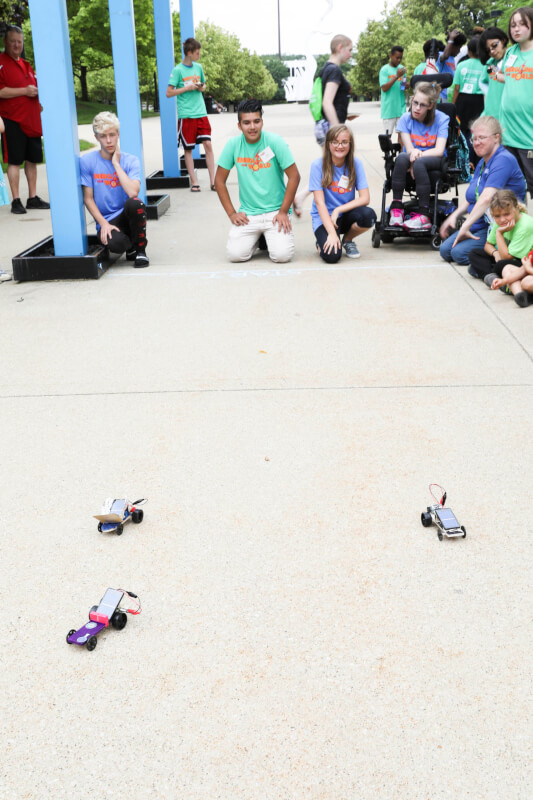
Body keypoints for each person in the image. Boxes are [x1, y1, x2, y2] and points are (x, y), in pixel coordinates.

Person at [214, 99, 300, 263]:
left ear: (262, 122)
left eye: (256, 121)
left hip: (276, 212)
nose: (252, 127)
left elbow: (294, 176)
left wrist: (283, 211)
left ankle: (268, 236)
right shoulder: (233, 145)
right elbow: (219, 181)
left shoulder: (275, 142)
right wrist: (232, 213)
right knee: (235, 255)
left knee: (282, 256)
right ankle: (260, 238)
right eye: (246, 123)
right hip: (249, 214)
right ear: (239, 125)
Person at [439, 116, 527, 265]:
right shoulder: (483, 161)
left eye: (482, 138)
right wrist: (453, 217)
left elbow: (486, 198)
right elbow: (472, 197)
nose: (476, 143)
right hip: (482, 224)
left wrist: (465, 226)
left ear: (496, 138)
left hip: (501, 226)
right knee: (445, 250)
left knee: (458, 254)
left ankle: (502, 256)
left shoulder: (503, 159)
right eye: (474, 139)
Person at [294, 34, 355, 216]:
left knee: (329, 167)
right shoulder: (334, 71)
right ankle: (303, 197)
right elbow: (327, 102)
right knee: (330, 168)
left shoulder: (325, 69)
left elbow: (331, 102)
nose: (351, 54)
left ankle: (303, 197)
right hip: (330, 127)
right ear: (339, 48)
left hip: (325, 125)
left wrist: (344, 116)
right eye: (350, 49)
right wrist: (339, 131)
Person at [80, 112, 149, 268]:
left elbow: (133, 193)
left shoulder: (131, 160)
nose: (109, 140)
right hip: (108, 220)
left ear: (118, 134)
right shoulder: (87, 161)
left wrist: (116, 164)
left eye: (112, 134)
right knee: (117, 245)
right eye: (103, 136)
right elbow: (88, 198)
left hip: (127, 214)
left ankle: (140, 251)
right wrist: (103, 224)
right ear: (96, 137)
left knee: (135, 204)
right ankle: (130, 245)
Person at [0, 26, 49, 214]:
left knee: (32, 159)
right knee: (14, 161)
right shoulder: (1, 63)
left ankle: (32, 197)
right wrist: (25, 91)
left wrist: (39, 103)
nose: (16, 45)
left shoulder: (27, 65)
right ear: (5, 42)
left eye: (19, 41)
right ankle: (16, 201)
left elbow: (35, 88)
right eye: (13, 41)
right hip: (12, 119)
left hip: (31, 121)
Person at [308, 124, 376, 262]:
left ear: (350, 144)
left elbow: (365, 198)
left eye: (344, 142)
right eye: (335, 142)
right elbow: (320, 203)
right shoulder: (317, 165)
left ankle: (347, 240)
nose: (340, 146)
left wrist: (338, 210)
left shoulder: (355, 164)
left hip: (344, 215)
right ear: (328, 144)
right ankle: (321, 242)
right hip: (324, 218)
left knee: (369, 216)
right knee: (332, 256)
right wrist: (332, 234)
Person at [388, 82, 449, 231]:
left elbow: (439, 150)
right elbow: (408, 149)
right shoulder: (405, 119)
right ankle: (397, 209)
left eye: (422, 105)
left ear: (430, 105)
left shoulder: (442, 119)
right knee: (401, 157)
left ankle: (424, 215)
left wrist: (417, 157)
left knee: (419, 163)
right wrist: (413, 156)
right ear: (412, 98)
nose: (416, 108)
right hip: (413, 156)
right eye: (415, 102)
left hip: (435, 158)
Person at [166, 37, 216, 193]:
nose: (199, 56)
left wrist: (201, 88)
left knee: (208, 144)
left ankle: (213, 182)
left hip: (201, 112)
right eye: (197, 53)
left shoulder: (198, 67)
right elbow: (169, 93)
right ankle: (194, 183)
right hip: (186, 115)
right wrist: (186, 89)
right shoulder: (177, 70)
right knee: (188, 149)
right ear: (189, 53)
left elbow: (204, 84)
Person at [467, 191, 533, 305]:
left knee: (501, 265)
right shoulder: (503, 221)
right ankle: (496, 277)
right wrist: (495, 253)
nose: (502, 219)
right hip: (505, 257)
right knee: (474, 254)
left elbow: (507, 258)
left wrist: (499, 234)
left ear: (516, 208)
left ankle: (496, 278)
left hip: (520, 261)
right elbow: (488, 245)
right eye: (497, 216)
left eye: (507, 214)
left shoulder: (525, 225)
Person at [498, 7, 533, 197]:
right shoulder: (510, 52)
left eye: (522, 24)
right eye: (513, 25)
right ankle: (517, 226)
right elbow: (508, 76)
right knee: (512, 186)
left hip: (530, 135)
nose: (516, 29)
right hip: (508, 132)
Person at [451, 37, 485, 163]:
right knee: (476, 130)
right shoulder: (485, 66)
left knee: (463, 131)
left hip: (463, 100)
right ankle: (476, 161)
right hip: (479, 102)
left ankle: (465, 161)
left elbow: (457, 88)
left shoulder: (461, 65)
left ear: (469, 51)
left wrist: (453, 104)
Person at [478, 27, 508, 119]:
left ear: (503, 40)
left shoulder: (515, 59)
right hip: (492, 115)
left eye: (494, 45)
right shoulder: (490, 64)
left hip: (510, 116)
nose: (492, 51)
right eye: (488, 50)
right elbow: (483, 82)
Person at [379, 46, 406, 136]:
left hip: (401, 109)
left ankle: (402, 151)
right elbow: (384, 88)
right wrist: (396, 76)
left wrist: (406, 85)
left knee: (403, 135)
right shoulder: (384, 70)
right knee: (387, 137)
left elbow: (402, 87)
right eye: (397, 57)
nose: (399, 60)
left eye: (400, 58)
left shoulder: (402, 69)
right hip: (389, 110)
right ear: (391, 56)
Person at [437, 29, 467, 99]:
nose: (459, 51)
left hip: (449, 97)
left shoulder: (453, 59)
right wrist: (451, 39)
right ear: (452, 46)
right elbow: (445, 55)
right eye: (458, 48)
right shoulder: (440, 55)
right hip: (440, 97)